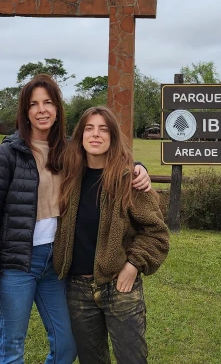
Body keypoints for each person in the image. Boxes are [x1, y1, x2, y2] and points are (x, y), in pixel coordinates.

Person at [0, 75, 152, 364]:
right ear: (25, 111)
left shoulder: (69, 150)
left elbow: (107, 155)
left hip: (56, 263)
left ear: (58, 108)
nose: (41, 109)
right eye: (34, 104)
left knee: (68, 345)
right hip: (16, 263)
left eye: (48, 102)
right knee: (11, 347)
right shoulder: (7, 154)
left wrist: (137, 168)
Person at [54, 106, 170, 364]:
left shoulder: (129, 180)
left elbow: (157, 234)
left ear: (113, 137)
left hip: (119, 288)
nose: (96, 135)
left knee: (132, 359)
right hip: (78, 290)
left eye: (103, 129)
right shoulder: (68, 178)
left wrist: (133, 265)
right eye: (89, 128)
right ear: (80, 135)